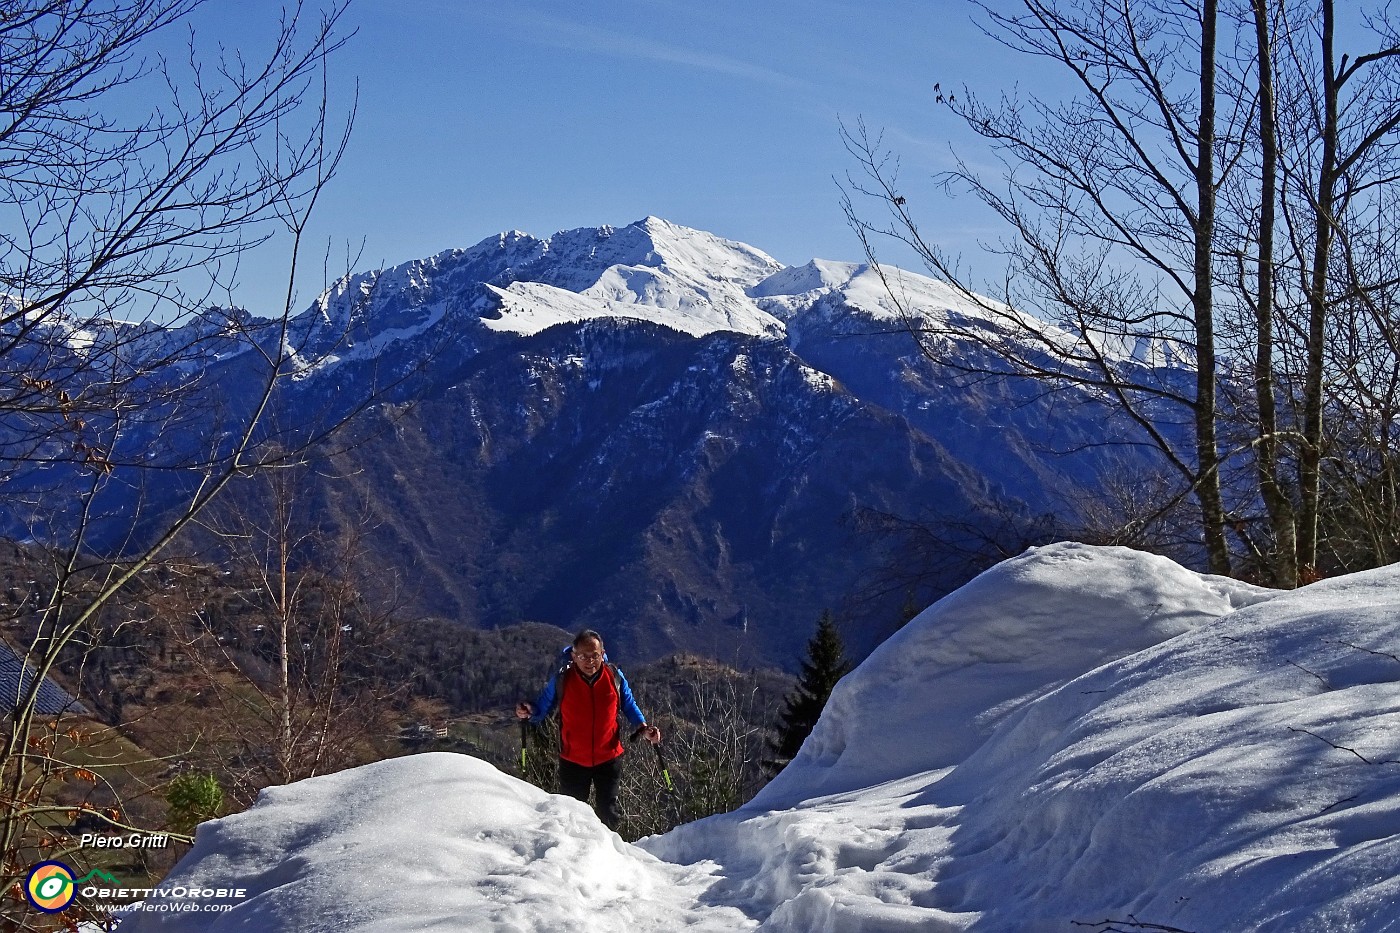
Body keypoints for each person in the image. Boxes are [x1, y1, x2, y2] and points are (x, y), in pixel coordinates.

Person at [515, 629, 661, 830]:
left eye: (595, 655)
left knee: (608, 815)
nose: (589, 661)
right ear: (574, 656)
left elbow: (628, 704)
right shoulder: (562, 679)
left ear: (603, 653)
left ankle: (612, 857)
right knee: (572, 818)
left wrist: (643, 728)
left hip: (609, 758)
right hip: (573, 760)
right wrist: (529, 711)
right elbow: (543, 706)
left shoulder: (614, 677)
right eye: (583, 656)